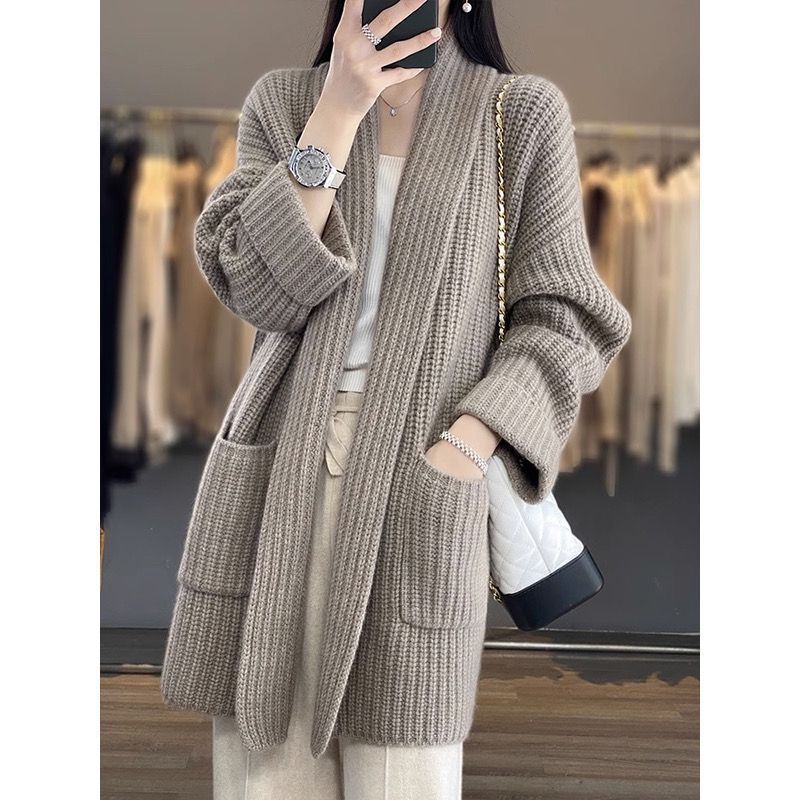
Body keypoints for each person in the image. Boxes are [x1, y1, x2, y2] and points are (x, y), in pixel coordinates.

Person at [160, 1, 632, 797]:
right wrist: (337, 112)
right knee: (270, 773)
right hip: (280, 471)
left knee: (403, 770)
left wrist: (469, 444)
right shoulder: (285, 102)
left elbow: (565, 317)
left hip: (424, 467)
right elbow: (254, 289)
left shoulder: (519, 114)